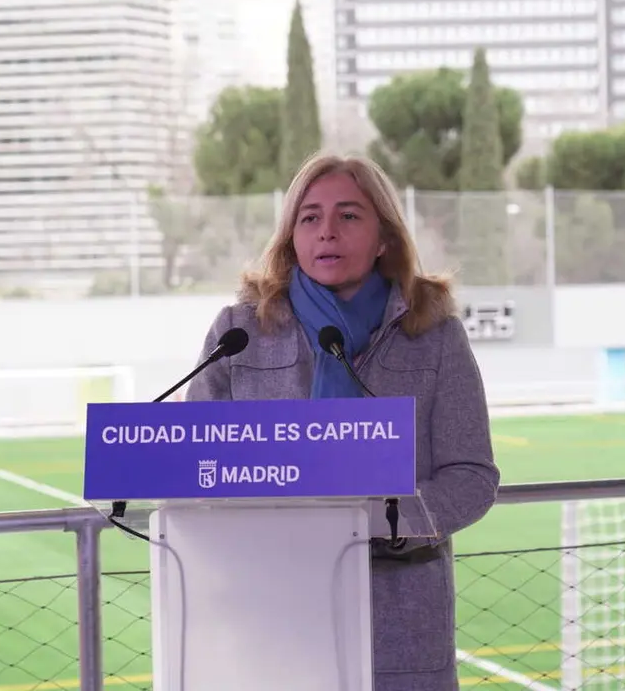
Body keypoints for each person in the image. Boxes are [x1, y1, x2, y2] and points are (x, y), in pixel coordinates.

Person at [185, 151, 500, 691]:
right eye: (310, 217)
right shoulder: (239, 330)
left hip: (398, 620)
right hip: (269, 616)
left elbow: (472, 475)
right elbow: (194, 462)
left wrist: (384, 520)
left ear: (384, 236)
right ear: (291, 237)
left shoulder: (436, 334)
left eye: (349, 215)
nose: (326, 231)